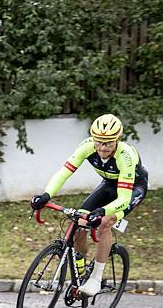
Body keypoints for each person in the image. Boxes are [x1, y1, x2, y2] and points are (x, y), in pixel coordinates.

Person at [30, 114, 148, 296]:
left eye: (108, 143)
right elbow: (63, 173)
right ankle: (81, 270)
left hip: (133, 189)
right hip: (108, 184)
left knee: (105, 223)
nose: (102, 147)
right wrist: (46, 195)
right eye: (99, 142)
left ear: (117, 140)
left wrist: (101, 212)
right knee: (79, 221)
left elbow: (123, 199)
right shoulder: (87, 146)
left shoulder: (125, 156)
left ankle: (96, 279)